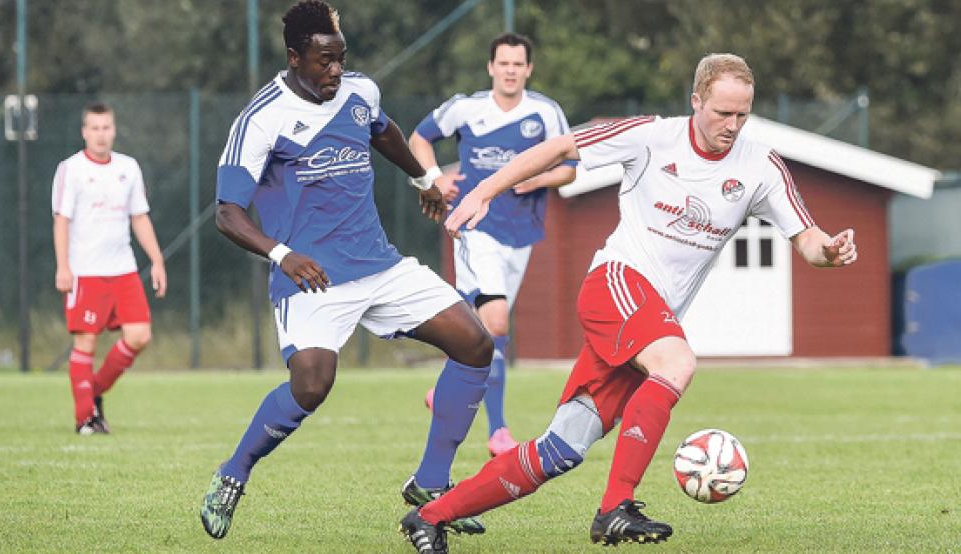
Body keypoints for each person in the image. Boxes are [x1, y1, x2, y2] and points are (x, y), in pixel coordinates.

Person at [400, 53, 858, 552]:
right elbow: (561, 146)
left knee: (563, 448)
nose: (732, 125)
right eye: (722, 113)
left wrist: (830, 251)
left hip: (647, 322)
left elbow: (806, 237)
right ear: (696, 101)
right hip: (616, 285)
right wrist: (486, 189)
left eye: (742, 114)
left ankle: (430, 516)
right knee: (678, 361)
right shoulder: (652, 135)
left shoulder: (760, 166)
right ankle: (615, 507)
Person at [198, 0, 493, 541]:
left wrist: (424, 177)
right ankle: (232, 474)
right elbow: (227, 213)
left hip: (378, 263)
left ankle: (430, 482)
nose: (335, 71)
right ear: (294, 58)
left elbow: (382, 131)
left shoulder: (359, 91)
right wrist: (281, 253)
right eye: (323, 62)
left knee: (476, 344)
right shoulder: (262, 118)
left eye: (340, 59)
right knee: (311, 385)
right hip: (312, 276)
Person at [406, 32, 577, 471]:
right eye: (503, 63)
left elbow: (570, 170)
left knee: (481, 332)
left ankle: (446, 389)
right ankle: (498, 430)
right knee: (495, 319)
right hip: (475, 227)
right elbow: (418, 138)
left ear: (528, 69)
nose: (510, 70)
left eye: (518, 64)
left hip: (522, 234)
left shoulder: (545, 113)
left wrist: (534, 180)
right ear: (491, 67)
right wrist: (435, 179)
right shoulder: (466, 108)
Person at [51, 102, 167, 436]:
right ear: (84, 132)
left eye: (106, 128)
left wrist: (156, 259)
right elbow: (62, 220)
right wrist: (63, 267)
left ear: (114, 130)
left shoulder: (128, 167)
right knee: (85, 343)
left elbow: (139, 216)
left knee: (139, 335)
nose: (101, 135)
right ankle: (85, 418)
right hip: (85, 271)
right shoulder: (70, 169)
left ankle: (94, 391)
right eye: (94, 128)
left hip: (124, 269)